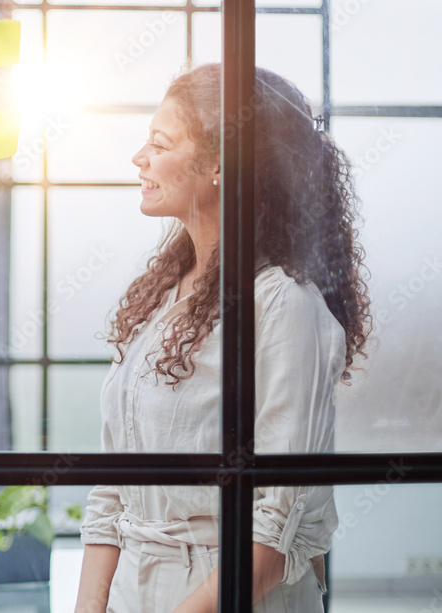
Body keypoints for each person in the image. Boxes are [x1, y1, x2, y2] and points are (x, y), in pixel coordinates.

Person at [74, 63, 371, 612]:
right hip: (133, 592)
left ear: (218, 164)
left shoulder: (283, 305)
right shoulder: (164, 296)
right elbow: (112, 490)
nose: (139, 159)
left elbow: (279, 522)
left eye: (159, 144)